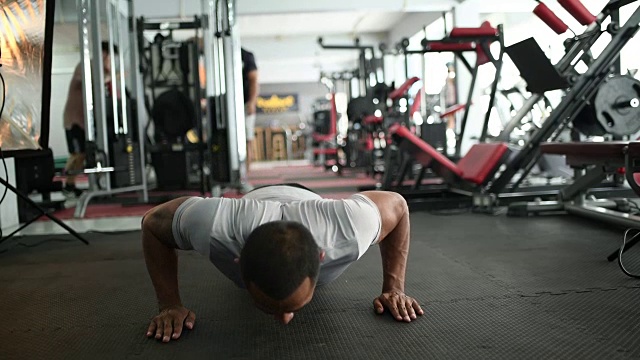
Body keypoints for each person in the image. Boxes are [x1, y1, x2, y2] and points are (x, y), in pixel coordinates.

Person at [141, 184, 424, 343]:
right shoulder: (214, 225)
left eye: (292, 307)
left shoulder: (346, 228)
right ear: (238, 261)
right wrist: (169, 305)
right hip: (254, 200)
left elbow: (398, 207)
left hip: (307, 196)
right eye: (268, 307)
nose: (285, 320)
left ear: (321, 256)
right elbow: (152, 223)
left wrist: (394, 288)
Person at [62, 41, 116, 197]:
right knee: (77, 154)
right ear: (104, 54)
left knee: (85, 153)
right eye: (108, 57)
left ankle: (72, 184)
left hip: (85, 122)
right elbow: (85, 82)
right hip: (74, 120)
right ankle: (68, 185)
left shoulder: (97, 69)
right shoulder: (86, 66)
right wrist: (106, 72)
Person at [241, 48, 259, 191]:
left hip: (245, 104)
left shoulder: (246, 55)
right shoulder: (216, 50)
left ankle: (243, 178)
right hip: (224, 105)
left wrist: (252, 102)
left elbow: (253, 79)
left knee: (247, 140)